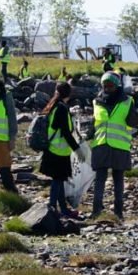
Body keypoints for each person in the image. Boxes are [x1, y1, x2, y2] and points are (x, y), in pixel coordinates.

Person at [90, 71, 138, 220]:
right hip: (101, 144)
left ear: (117, 85)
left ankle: (118, 213)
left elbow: (132, 122)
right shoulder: (96, 101)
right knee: (100, 179)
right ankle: (96, 211)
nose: (107, 88)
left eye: (110, 85)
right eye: (105, 85)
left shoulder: (128, 101)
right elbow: (95, 123)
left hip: (120, 146)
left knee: (118, 180)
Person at [40, 82, 82, 217]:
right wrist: (77, 149)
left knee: (59, 180)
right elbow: (66, 133)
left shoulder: (53, 106)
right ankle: (52, 208)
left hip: (52, 149)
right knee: (58, 180)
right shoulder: (62, 109)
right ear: (69, 95)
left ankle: (63, 209)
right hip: (59, 151)